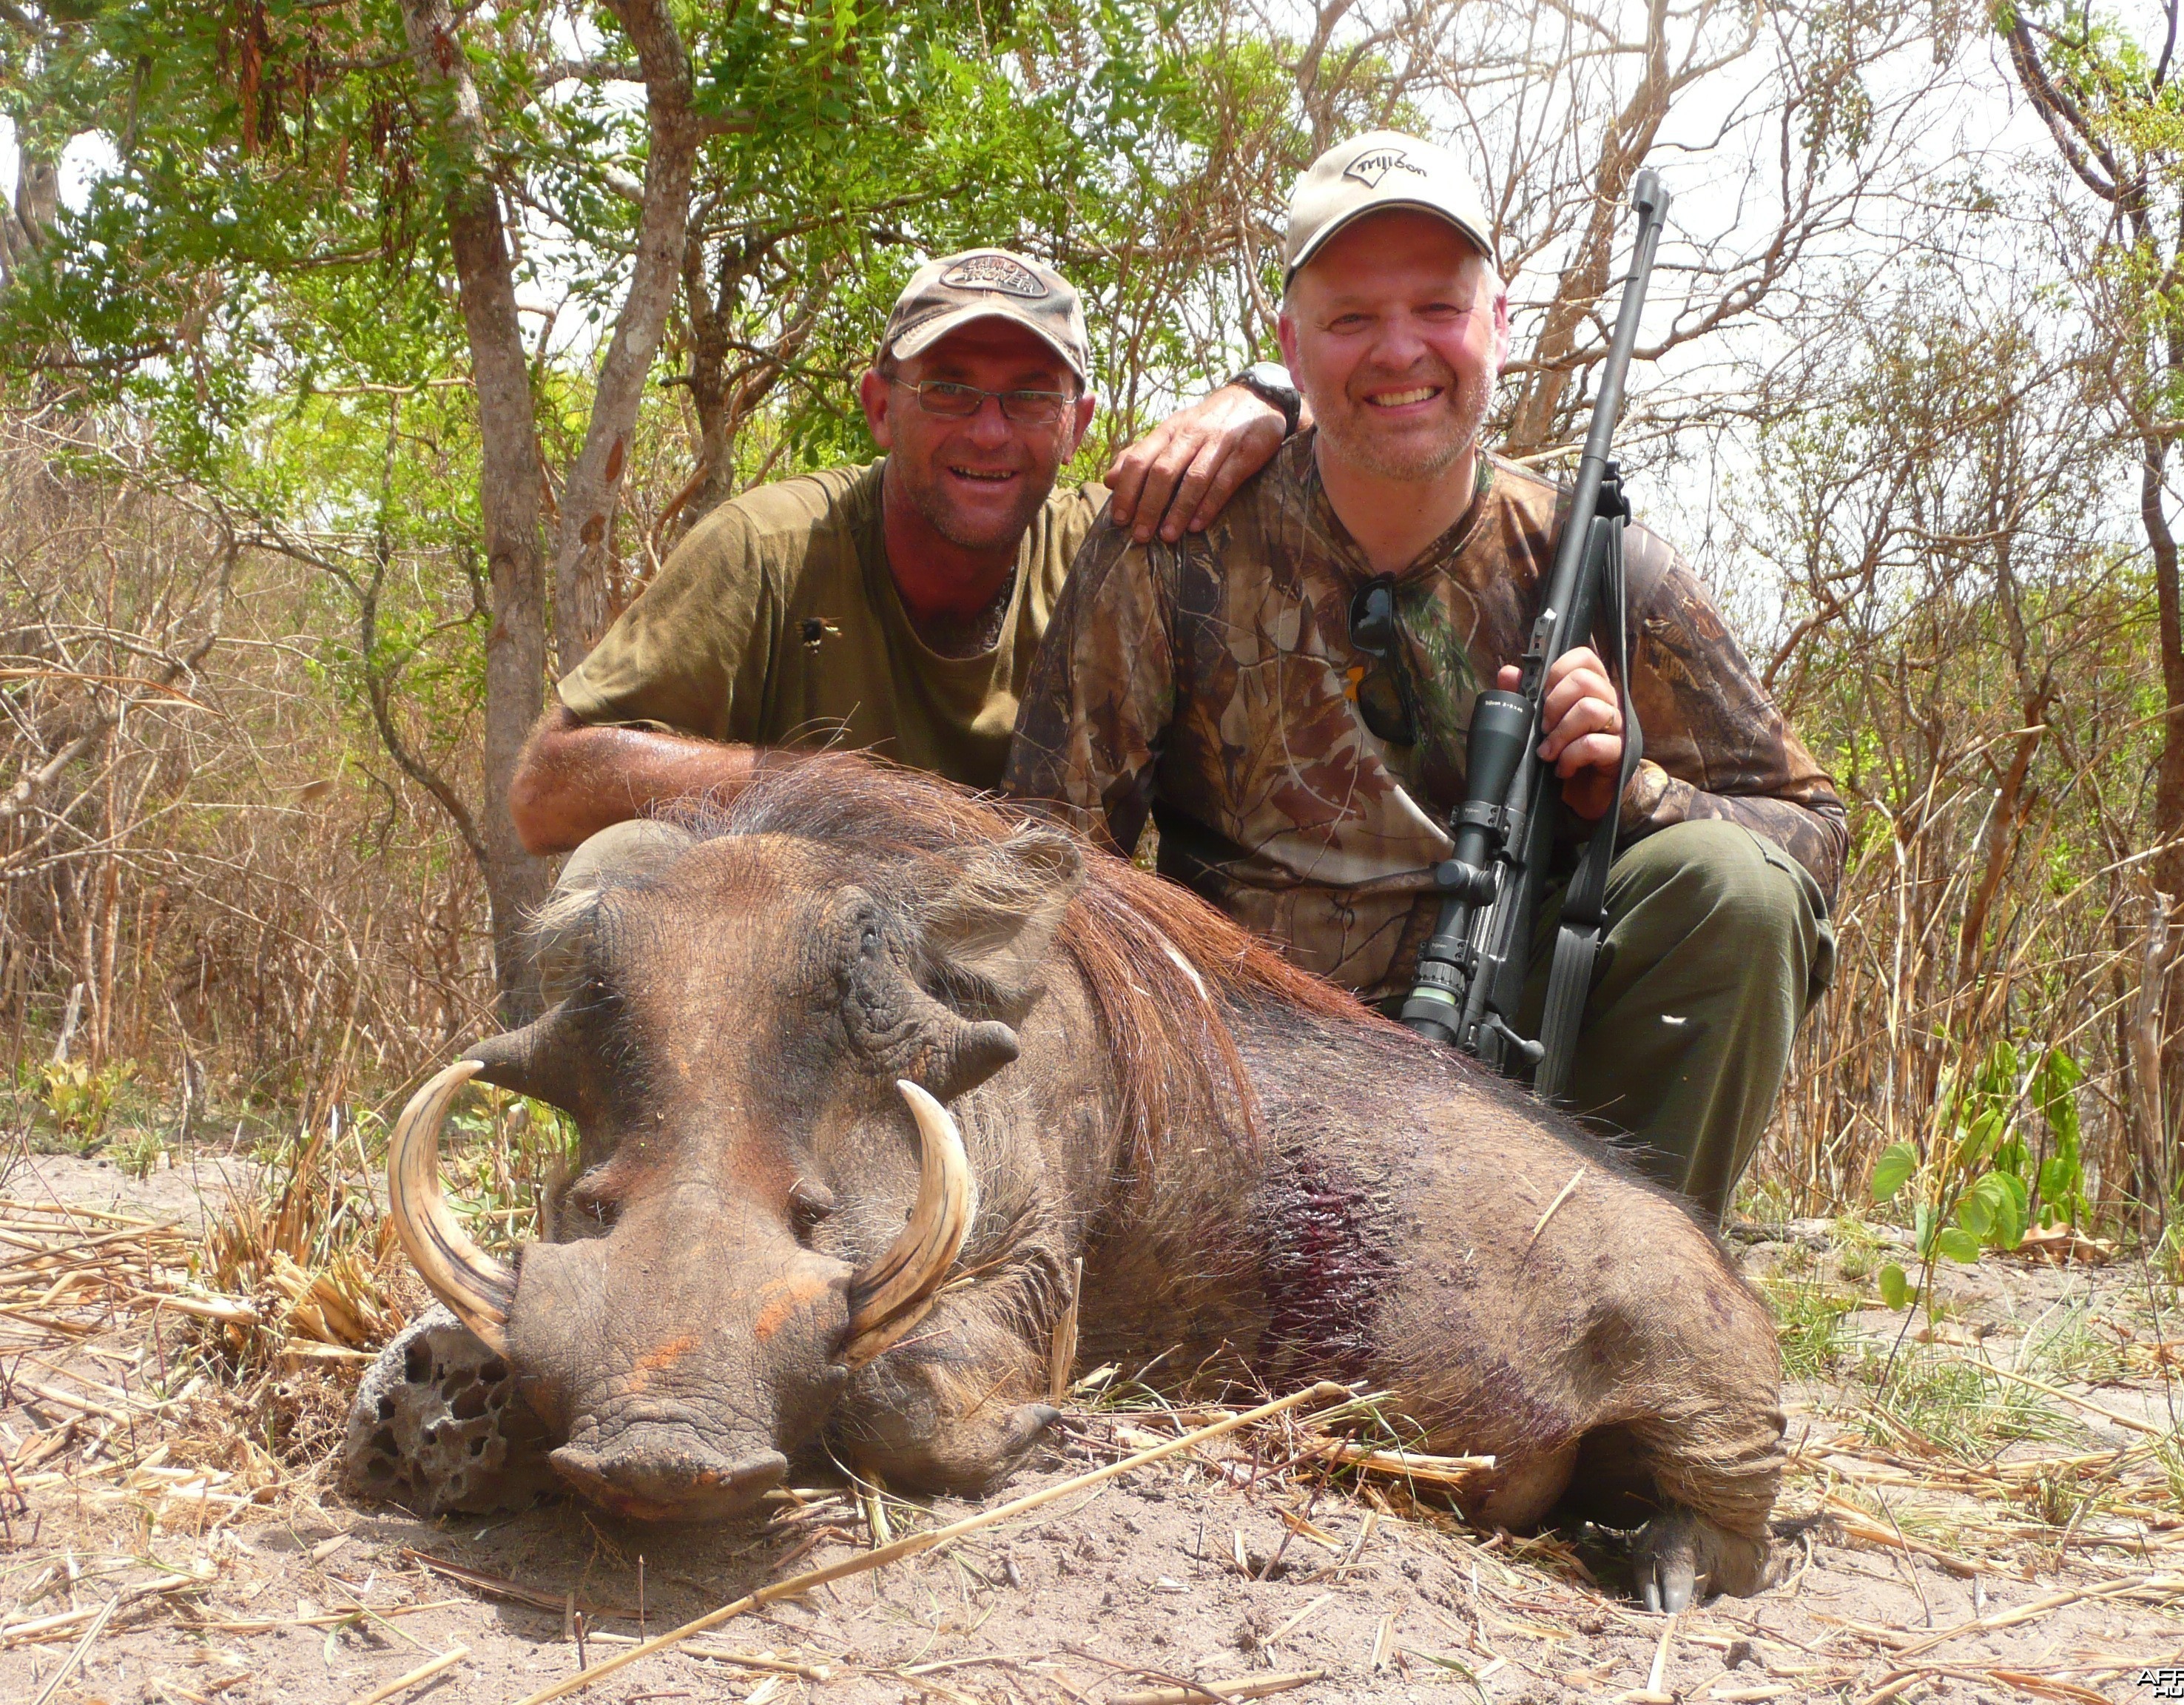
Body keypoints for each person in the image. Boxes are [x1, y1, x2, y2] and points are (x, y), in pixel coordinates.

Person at [1005, 135, 1846, 1221]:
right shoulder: (1170, 540)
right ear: (1291, 350)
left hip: (1519, 1080)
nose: (1400, 352)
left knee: (1733, 888)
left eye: (1439, 310)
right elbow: (1049, 859)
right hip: (1240, 1074)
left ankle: (1636, 1295)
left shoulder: (1604, 563)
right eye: (1352, 318)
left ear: (1499, 324)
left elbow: (1811, 833)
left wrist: (1630, 791)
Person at [508, 248, 1302, 855]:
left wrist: (1271, 397)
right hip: (790, 973)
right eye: (949, 389)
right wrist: (847, 794)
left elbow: (1372, 451)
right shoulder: (767, 551)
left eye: (1029, 395)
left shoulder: (1117, 551)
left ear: (1078, 426)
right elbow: (546, 789)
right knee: (621, 863)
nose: (989, 430)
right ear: (881, 408)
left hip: (1035, 985)